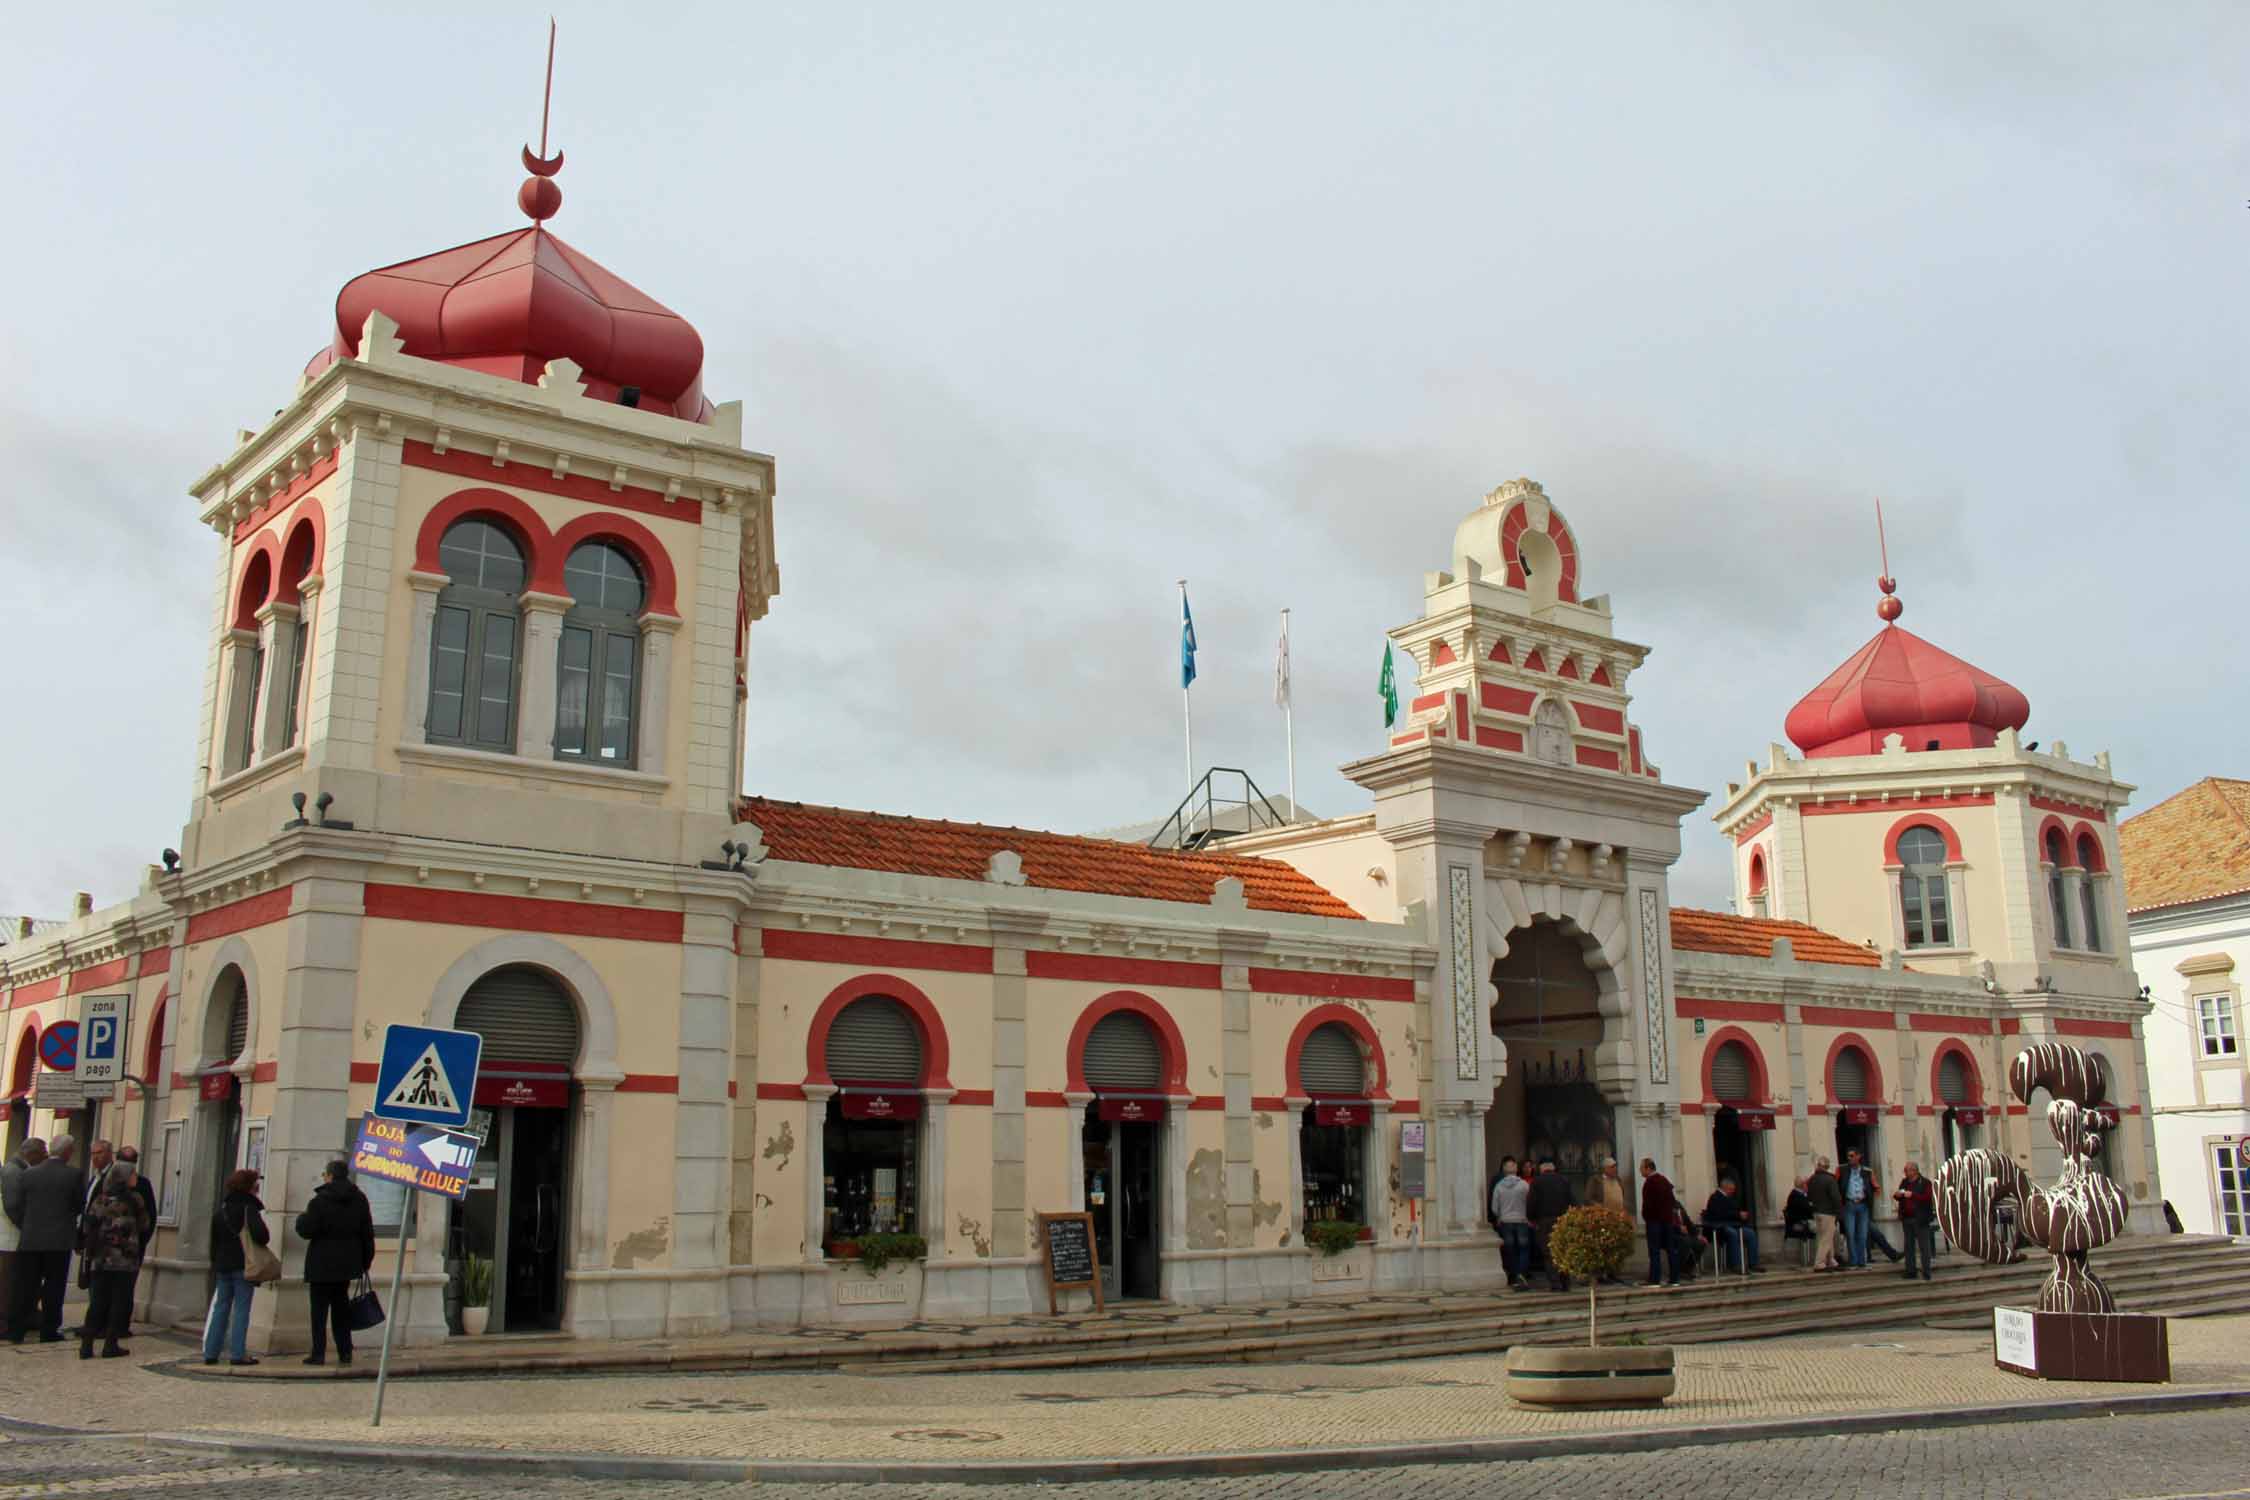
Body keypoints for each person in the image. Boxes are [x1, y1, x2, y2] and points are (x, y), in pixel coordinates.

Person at [296, 1159, 376, 1366]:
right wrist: (365, 1262)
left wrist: (301, 1219)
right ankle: (345, 1351)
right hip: (347, 1265)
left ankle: (318, 1353)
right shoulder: (359, 1199)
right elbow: (367, 1234)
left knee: (319, 1312)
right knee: (341, 1310)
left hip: (321, 1264)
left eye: (325, 1174)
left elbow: (306, 1230)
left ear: (330, 1176)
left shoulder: (320, 1200)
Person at [6, 1135, 79, 1342]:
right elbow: (78, 1205)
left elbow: (17, 1204)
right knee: (54, 1287)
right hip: (58, 1241)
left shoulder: (28, 1174)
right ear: (67, 1152)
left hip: (30, 1239)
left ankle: (15, 1330)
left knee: (24, 1286)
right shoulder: (73, 1175)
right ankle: (48, 1331)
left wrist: (27, 1226)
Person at [77, 1158, 149, 1359]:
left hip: (101, 1258)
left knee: (98, 1301)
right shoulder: (135, 1200)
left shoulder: (101, 1199)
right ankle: (110, 1343)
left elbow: (87, 1224)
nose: (136, 1177)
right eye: (133, 1174)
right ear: (125, 1178)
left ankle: (87, 1344)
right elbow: (144, 1225)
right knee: (119, 1301)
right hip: (125, 1259)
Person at [204, 1167, 270, 1367]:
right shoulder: (249, 1209)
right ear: (250, 1187)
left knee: (220, 1308)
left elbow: (213, 1242)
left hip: (223, 1265)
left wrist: (216, 1262)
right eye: (256, 1185)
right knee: (241, 1309)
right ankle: (238, 1353)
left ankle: (211, 1352)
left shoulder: (221, 1210)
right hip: (244, 1264)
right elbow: (262, 1236)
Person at [0, 1138, 37, 1341]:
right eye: (42, 1152)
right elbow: (13, 1206)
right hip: (10, 1238)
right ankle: (4, 1324)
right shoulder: (14, 1171)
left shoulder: (15, 1168)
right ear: (30, 1153)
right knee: (8, 1284)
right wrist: (27, 1228)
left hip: (8, 1237)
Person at [1526, 1158, 1575, 1292]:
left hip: (1545, 1222)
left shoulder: (1537, 1182)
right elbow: (1572, 1201)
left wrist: (1532, 1219)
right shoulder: (1564, 1180)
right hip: (1563, 1220)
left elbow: (1531, 1203)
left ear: (1542, 1170)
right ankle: (1566, 1282)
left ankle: (1555, 1283)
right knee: (1563, 1251)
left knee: (1549, 1253)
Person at [1488, 1156, 1533, 1291]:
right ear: (1516, 1169)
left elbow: (1494, 1207)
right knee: (1524, 1249)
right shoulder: (1524, 1185)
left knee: (1510, 1250)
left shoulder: (1499, 1186)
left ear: (1503, 1169)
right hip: (1522, 1220)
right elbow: (1530, 1202)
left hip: (1506, 1222)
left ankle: (1513, 1275)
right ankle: (1521, 1274)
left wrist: (1500, 1215)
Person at [1701, 1178, 1763, 1273]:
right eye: (1731, 1189)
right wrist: (1737, 1215)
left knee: (1750, 1234)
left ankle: (1753, 1263)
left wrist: (1741, 1215)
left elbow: (1735, 1211)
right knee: (1732, 1233)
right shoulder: (1714, 1198)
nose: (1733, 1191)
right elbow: (1719, 1215)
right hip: (1718, 1228)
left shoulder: (1730, 1198)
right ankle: (1735, 1265)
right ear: (1725, 1187)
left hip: (1733, 1225)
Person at [1638, 1157, 1681, 1287]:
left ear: (1648, 1168)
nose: (1640, 1171)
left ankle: (1654, 1279)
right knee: (1670, 1249)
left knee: (1654, 1250)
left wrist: (1646, 1216)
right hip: (1667, 1221)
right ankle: (1674, 1278)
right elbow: (1673, 1201)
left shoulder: (1650, 1183)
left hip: (1654, 1222)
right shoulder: (1664, 1180)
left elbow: (1648, 1205)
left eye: (1641, 1168)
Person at [1894, 1160, 1938, 1281]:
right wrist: (1898, 1195)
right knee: (1908, 1246)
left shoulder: (1925, 1183)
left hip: (1920, 1218)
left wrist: (1912, 1195)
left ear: (1914, 1171)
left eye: (1906, 1170)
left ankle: (1926, 1272)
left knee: (1924, 1247)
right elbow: (1899, 1195)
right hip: (1907, 1218)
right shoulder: (1904, 1182)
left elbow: (1927, 1197)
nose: (1905, 1172)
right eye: (1905, 1170)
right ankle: (1910, 1271)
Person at [1837, 1148, 1876, 1268]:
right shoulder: (1842, 1170)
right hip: (1849, 1204)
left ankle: (1862, 1260)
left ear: (1858, 1156)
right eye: (1848, 1156)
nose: (1849, 1158)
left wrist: (1868, 1196)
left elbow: (1875, 1186)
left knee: (1863, 1234)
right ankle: (1853, 1260)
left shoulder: (1867, 1171)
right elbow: (1836, 1185)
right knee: (1850, 1233)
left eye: (1852, 1156)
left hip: (1863, 1205)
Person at [1807, 1156, 1844, 1271]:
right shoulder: (1830, 1179)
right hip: (1828, 1212)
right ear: (1827, 1167)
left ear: (1818, 1166)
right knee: (1826, 1239)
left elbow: (1809, 1196)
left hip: (1816, 1211)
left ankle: (1831, 1260)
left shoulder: (1812, 1179)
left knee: (1824, 1237)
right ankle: (1819, 1263)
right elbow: (1836, 1198)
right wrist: (1839, 1211)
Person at [1783, 1176, 1817, 1266]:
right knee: (1824, 1231)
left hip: (1802, 1222)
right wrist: (1812, 1205)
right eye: (1807, 1184)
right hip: (1799, 1224)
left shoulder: (1800, 1195)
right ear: (1803, 1185)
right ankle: (1821, 1258)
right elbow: (1808, 1210)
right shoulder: (1796, 1196)